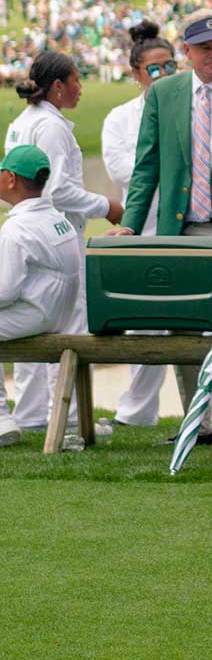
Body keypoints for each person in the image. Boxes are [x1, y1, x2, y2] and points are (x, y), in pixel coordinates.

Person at [110, 9, 212, 446]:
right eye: (205, 48)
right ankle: (198, 421)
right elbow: (146, 166)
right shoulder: (163, 95)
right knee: (182, 324)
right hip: (181, 229)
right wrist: (131, 225)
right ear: (186, 52)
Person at [3, 52, 123, 431]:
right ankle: (67, 419)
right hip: (54, 236)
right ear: (58, 86)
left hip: (31, 232)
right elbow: (56, 190)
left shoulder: (21, 122)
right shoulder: (52, 128)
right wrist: (107, 205)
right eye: (76, 80)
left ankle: (32, 414)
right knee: (68, 326)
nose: (80, 87)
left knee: (33, 325)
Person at [100, 22, 176, 427]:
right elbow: (124, 171)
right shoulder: (120, 118)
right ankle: (137, 412)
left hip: (186, 224)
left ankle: (211, 415)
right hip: (141, 225)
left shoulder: (188, 107)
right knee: (146, 322)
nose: (163, 75)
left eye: (170, 67)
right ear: (136, 74)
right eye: (154, 69)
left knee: (196, 320)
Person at [0, 146, 83, 447]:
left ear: (10, 179)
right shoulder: (56, 217)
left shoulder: (17, 228)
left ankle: (0, 419)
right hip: (60, 310)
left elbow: (5, 291)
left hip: (40, 314)